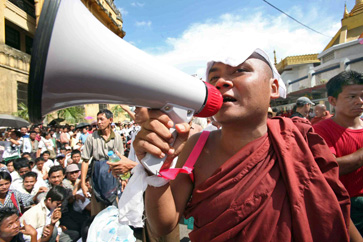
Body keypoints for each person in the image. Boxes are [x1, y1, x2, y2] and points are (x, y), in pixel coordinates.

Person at [134, 48, 355, 241]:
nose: (221, 82)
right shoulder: (196, 146)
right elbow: (164, 225)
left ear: (274, 88)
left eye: (240, 71)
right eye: (213, 78)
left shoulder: (299, 137)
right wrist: (157, 168)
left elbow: (332, 210)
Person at [313, 70, 363, 235]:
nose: (360, 101)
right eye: (352, 97)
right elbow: (331, 168)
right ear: (332, 101)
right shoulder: (320, 131)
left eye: (362, 95)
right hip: (347, 205)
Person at [80, 109, 124, 216]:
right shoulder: (92, 137)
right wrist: (83, 183)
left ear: (110, 120)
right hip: (97, 175)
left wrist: (123, 179)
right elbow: (85, 161)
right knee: (98, 210)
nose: (99, 122)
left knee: (115, 209)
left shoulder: (117, 137)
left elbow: (121, 160)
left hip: (112, 175)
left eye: (102, 119)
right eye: (98, 119)